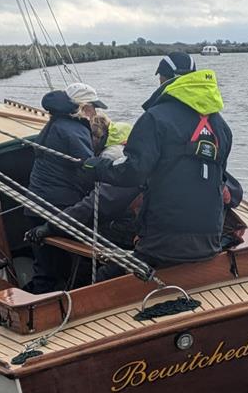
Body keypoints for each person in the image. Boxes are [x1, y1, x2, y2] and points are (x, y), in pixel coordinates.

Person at [82, 51, 233, 272]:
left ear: (164, 78)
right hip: (210, 242)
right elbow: (220, 179)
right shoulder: (221, 126)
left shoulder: (155, 118)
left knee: (104, 277)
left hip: (163, 244)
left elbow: (133, 172)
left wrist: (96, 167)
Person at [23, 84, 107, 294]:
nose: (95, 113)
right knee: (84, 261)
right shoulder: (74, 129)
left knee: (47, 268)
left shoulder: (54, 124)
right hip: (60, 207)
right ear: (82, 107)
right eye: (92, 108)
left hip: (36, 206)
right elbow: (89, 169)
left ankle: (38, 306)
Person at [26, 121, 140, 250]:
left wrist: (52, 227)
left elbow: (103, 200)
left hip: (137, 234)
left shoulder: (126, 164)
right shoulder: (152, 159)